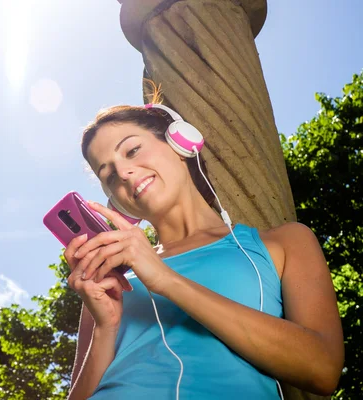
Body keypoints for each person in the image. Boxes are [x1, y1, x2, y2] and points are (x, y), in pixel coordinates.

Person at [64, 90, 344, 400]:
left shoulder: (285, 241)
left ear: (179, 143)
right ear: (115, 201)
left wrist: (164, 279)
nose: (123, 173)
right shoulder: (110, 283)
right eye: (109, 175)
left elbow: (322, 368)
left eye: (132, 151)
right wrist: (106, 327)